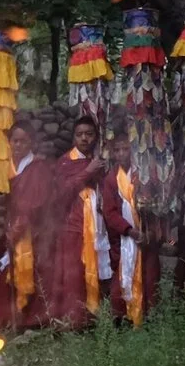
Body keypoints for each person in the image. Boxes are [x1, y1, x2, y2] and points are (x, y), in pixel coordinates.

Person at [30, 114, 122, 329]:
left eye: (89, 135)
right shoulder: (66, 162)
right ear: (73, 138)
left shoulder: (99, 160)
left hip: (97, 226)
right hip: (73, 227)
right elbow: (60, 194)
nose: (84, 139)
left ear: (95, 137)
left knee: (97, 272)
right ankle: (74, 320)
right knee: (74, 276)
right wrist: (87, 173)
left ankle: (93, 318)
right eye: (80, 135)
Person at [0, 117, 43, 331]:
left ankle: (25, 319)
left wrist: (18, 228)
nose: (19, 145)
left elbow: (34, 203)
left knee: (27, 271)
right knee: (4, 273)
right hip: (9, 223)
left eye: (24, 141)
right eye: (15, 141)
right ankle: (6, 319)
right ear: (9, 142)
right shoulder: (5, 166)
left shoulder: (36, 168)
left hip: (32, 230)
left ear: (31, 143)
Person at [105, 134, 150, 324]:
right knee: (121, 279)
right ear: (112, 153)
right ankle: (121, 318)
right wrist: (129, 230)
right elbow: (109, 212)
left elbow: (153, 205)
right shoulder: (110, 179)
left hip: (145, 236)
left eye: (126, 149)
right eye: (117, 150)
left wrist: (147, 230)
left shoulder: (143, 174)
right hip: (123, 238)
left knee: (148, 277)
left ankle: (147, 318)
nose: (122, 154)